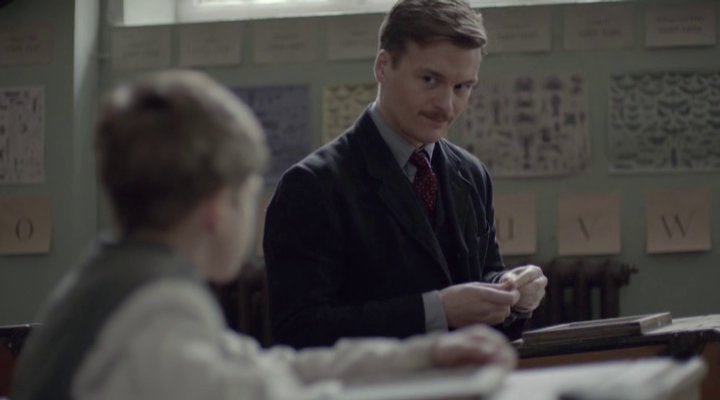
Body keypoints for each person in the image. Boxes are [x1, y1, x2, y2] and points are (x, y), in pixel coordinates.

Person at [10, 70, 516, 400]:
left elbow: (266, 369)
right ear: (218, 208)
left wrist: (424, 357)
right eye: (247, 195)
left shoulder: (120, 281)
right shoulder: (155, 316)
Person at [264, 0, 547, 349]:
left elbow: (480, 284)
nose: (447, 105)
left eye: (462, 87)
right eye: (430, 80)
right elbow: (300, 333)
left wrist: (510, 292)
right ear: (383, 66)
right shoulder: (312, 186)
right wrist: (438, 311)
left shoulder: (472, 175)